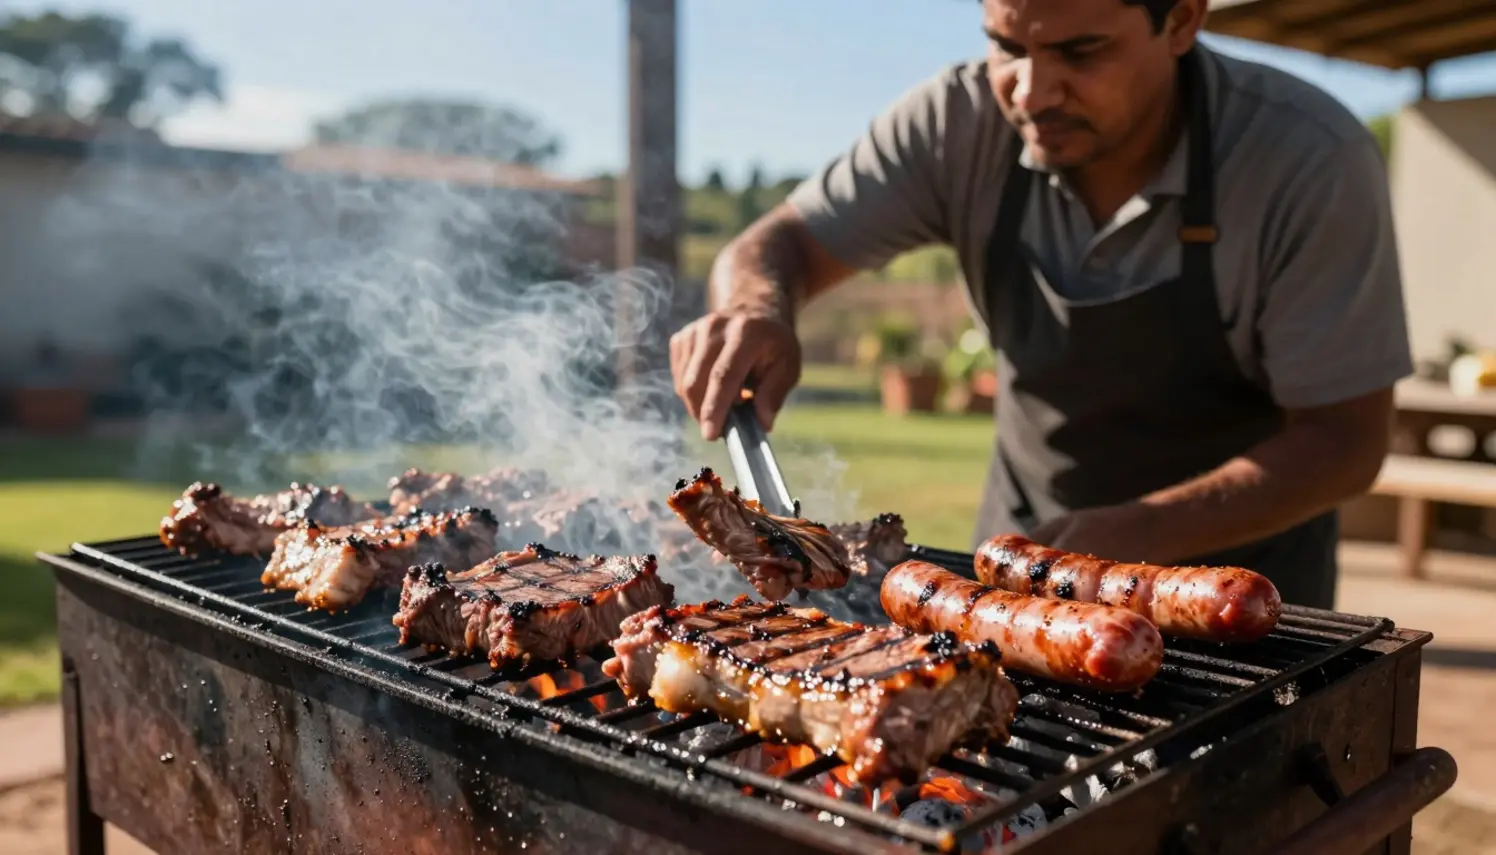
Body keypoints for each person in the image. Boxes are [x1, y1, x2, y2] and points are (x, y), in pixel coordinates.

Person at [668, 0, 1412, 609]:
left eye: (1080, 52)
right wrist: (755, 306)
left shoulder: (1305, 157)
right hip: (1023, 583)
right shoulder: (955, 123)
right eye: (1006, 46)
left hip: (1240, 597)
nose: (1031, 92)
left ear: (1183, 19)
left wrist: (1132, 534)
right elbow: (781, 243)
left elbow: (1346, 440)